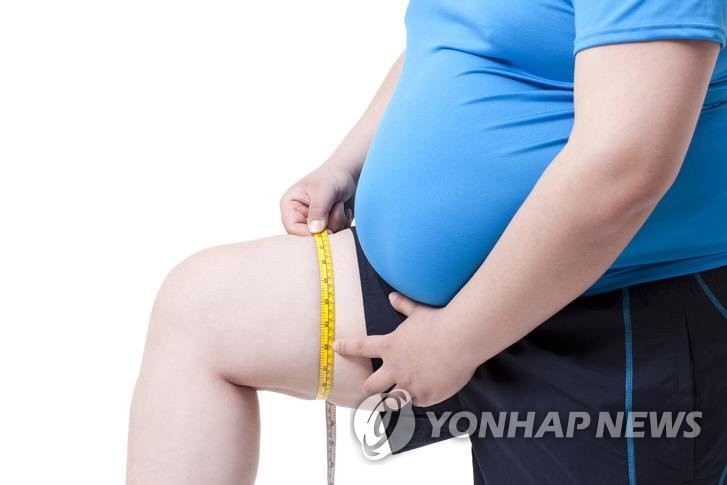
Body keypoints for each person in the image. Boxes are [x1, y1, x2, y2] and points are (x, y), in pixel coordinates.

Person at [126, 0, 727, 483]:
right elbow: (458, 35)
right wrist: (346, 163)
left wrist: (458, 340)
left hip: (614, 312)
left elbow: (626, 165)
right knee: (204, 314)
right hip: (435, 309)